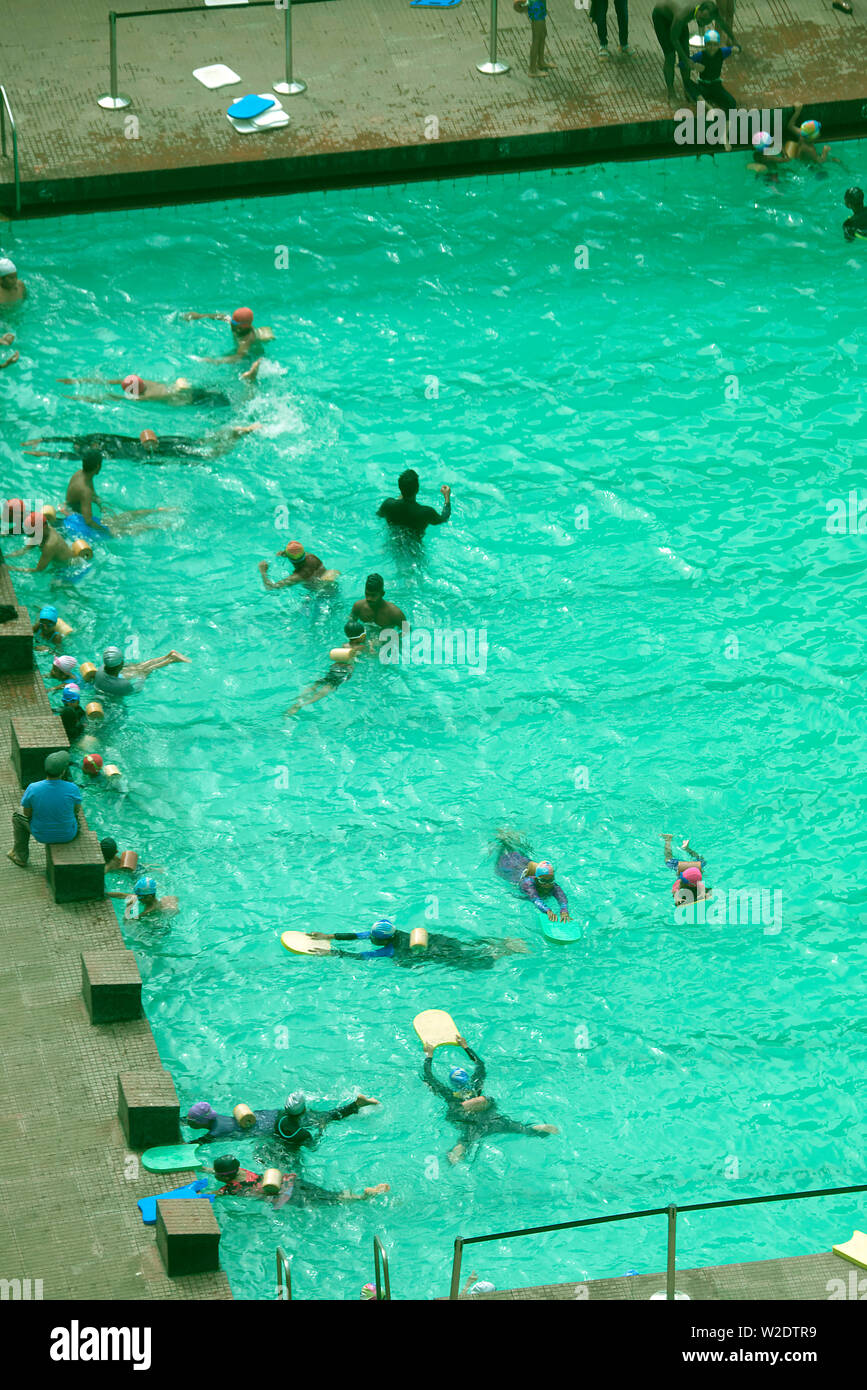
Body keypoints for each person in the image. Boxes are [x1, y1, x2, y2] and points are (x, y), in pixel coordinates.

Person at [422, 1036, 558, 1164]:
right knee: (519, 1127)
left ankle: (459, 1146)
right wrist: (465, 1046)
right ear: (467, 1078)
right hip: (490, 1118)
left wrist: (429, 1055)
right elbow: (480, 1066)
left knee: (465, 1140)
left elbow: (429, 1077)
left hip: (470, 1123)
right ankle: (537, 1128)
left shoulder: (449, 1094)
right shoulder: (475, 1084)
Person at [308, 916, 530, 970]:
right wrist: (328, 937)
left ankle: (506, 952)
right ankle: (504, 942)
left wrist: (333, 953)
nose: (369, 936)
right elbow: (357, 936)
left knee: (472, 962)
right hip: (439, 941)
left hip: (436, 953)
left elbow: (363, 955)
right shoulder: (392, 933)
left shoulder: (390, 949)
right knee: (466, 945)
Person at [22, 424, 262, 463]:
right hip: (156, 442)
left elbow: (67, 453)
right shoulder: (99, 439)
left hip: (151, 453)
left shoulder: (103, 453)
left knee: (208, 457)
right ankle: (235, 432)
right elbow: (70, 443)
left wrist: (42, 451)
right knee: (201, 441)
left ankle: (237, 436)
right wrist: (42, 441)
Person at [205, 1156, 388, 1205]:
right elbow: (219, 1171)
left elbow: (211, 1195)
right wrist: (200, 1168)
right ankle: (361, 1194)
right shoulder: (241, 1171)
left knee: (332, 1200)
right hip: (291, 1182)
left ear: (225, 1176)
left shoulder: (231, 1188)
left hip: (287, 1195)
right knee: (329, 1194)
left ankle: (363, 1197)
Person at [7, 750, 83, 867]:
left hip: (41, 835)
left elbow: (27, 814)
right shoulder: (72, 788)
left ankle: (20, 856)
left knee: (17, 816)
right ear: (63, 772)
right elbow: (76, 810)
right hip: (69, 834)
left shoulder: (33, 788)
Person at [650, 2, 735, 101]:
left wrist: (734, 39)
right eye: (702, 19)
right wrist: (685, 60)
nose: (702, 23)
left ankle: (687, 88)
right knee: (670, 56)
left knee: (686, 55)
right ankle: (671, 92)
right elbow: (674, 39)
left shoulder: (710, 11)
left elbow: (722, 23)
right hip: (661, 18)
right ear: (698, 11)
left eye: (706, 21)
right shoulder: (682, 16)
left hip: (677, 20)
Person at [286, 618, 367, 715]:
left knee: (317, 684)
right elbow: (373, 655)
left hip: (334, 668)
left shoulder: (344, 645)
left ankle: (298, 699)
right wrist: (371, 646)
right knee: (327, 689)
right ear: (361, 636)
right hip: (344, 672)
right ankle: (303, 704)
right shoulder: (362, 647)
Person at [267, 1091, 380, 1155]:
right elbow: (313, 1147)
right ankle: (356, 1105)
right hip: (292, 1153)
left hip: (278, 1142)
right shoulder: (303, 1134)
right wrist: (321, 1129)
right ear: (304, 1109)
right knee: (328, 1117)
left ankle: (356, 1105)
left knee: (323, 1116)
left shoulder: (280, 1115)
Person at [495, 830, 572, 923]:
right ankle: (502, 837)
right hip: (509, 867)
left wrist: (564, 909)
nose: (548, 884)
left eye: (550, 880)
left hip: (522, 862)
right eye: (544, 881)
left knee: (517, 850)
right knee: (504, 849)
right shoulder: (527, 883)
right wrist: (547, 910)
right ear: (536, 878)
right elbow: (535, 899)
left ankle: (510, 838)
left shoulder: (553, 885)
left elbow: (561, 896)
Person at [57, 373, 242, 405]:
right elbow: (111, 381)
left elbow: (109, 396)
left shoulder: (141, 398)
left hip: (188, 401)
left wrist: (78, 390)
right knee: (223, 393)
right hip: (186, 390)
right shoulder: (144, 382)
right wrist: (76, 381)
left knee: (225, 401)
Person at [181, 306, 275, 363]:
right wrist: (199, 316)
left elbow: (238, 357)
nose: (230, 323)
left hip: (252, 358)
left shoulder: (245, 340)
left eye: (234, 323)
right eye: (232, 320)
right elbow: (221, 317)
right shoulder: (237, 325)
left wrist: (215, 361)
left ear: (243, 326)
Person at [93, 645, 190, 698]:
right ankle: (168, 656)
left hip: (114, 678)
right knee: (140, 667)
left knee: (143, 670)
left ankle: (171, 660)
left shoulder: (101, 670)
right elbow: (135, 690)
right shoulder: (121, 682)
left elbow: (135, 691)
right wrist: (141, 676)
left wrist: (142, 677)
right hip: (118, 677)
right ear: (121, 663)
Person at [376, 470, 451, 536]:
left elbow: (379, 515)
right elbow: (444, 518)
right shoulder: (425, 512)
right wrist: (447, 496)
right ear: (417, 489)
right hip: (414, 549)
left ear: (400, 487)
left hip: (392, 545)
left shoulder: (388, 504)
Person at [259, 540, 339, 591]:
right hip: (331, 585)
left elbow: (271, 588)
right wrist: (286, 553)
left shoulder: (298, 576)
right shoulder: (311, 557)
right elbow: (298, 553)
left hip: (321, 595)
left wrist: (263, 571)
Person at [184, 1099, 283, 1142]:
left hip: (269, 1128)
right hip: (264, 1116)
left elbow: (194, 1144)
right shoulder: (213, 1117)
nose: (188, 1122)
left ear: (201, 1122)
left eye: (191, 1121)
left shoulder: (216, 1132)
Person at [688, 29, 736, 115]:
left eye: (715, 45)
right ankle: (709, 107)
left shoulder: (722, 52)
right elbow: (683, 63)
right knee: (689, 84)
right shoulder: (700, 55)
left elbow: (737, 48)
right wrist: (694, 66)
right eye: (709, 45)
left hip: (716, 86)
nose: (712, 48)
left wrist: (736, 49)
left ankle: (727, 126)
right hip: (703, 86)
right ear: (705, 45)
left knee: (732, 103)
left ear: (718, 45)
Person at [662, 833, 712, 904]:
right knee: (700, 859)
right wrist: (677, 898)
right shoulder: (679, 882)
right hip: (693, 869)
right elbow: (674, 891)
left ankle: (668, 840)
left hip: (694, 869)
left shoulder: (687, 882)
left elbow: (705, 890)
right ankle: (684, 848)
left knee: (668, 859)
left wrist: (705, 895)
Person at [106, 875, 179, 919]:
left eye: (140, 897)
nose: (138, 898)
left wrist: (129, 906)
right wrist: (105, 894)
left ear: (150, 896)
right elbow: (121, 895)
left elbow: (128, 922)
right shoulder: (149, 898)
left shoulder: (149, 911)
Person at [513, 1, 554, 77]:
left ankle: (541, 62)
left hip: (540, 5)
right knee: (537, 38)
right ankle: (532, 70)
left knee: (543, 34)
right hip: (536, 8)